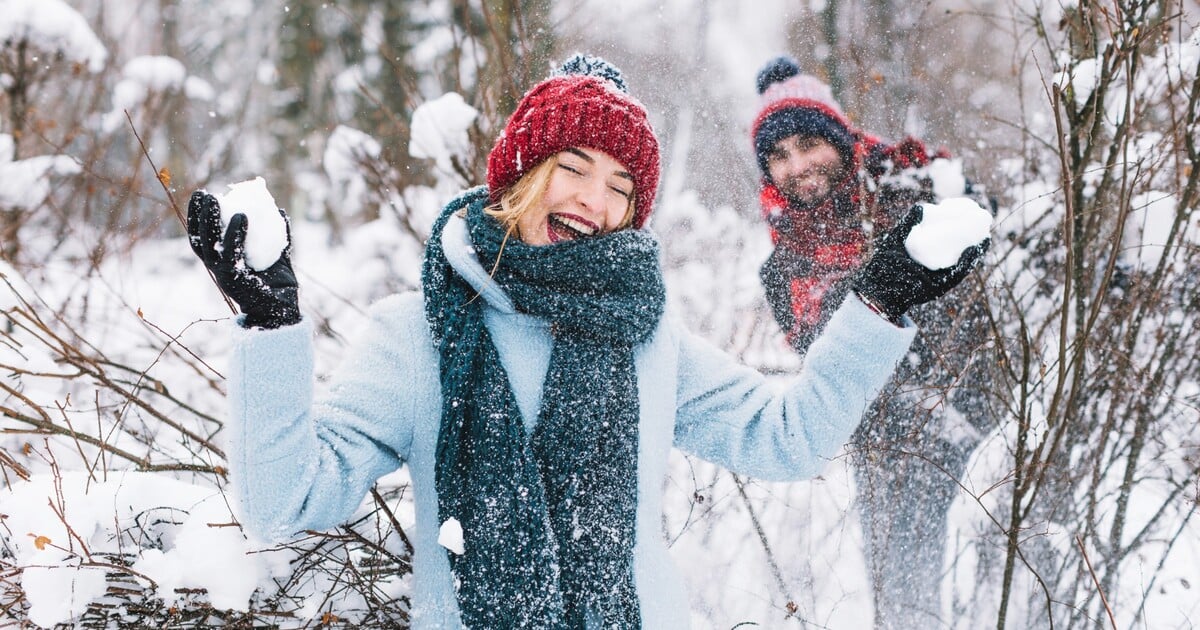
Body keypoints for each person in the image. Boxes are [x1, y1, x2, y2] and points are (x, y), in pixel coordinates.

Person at [187, 54, 985, 629]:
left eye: (622, 187)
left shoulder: (645, 336)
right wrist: (271, 328)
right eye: (574, 167)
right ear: (521, 173)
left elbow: (789, 439)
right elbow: (285, 501)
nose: (595, 201)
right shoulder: (417, 335)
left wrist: (877, 303)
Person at [750, 55, 994, 628]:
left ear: (840, 137)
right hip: (888, 454)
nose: (798, 165)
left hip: (981, 424)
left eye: (809, 143)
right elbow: (826, 359)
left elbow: (980, 230)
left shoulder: (911, 186)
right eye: (778, 156)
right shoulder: (783, 266)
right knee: (905, 601)